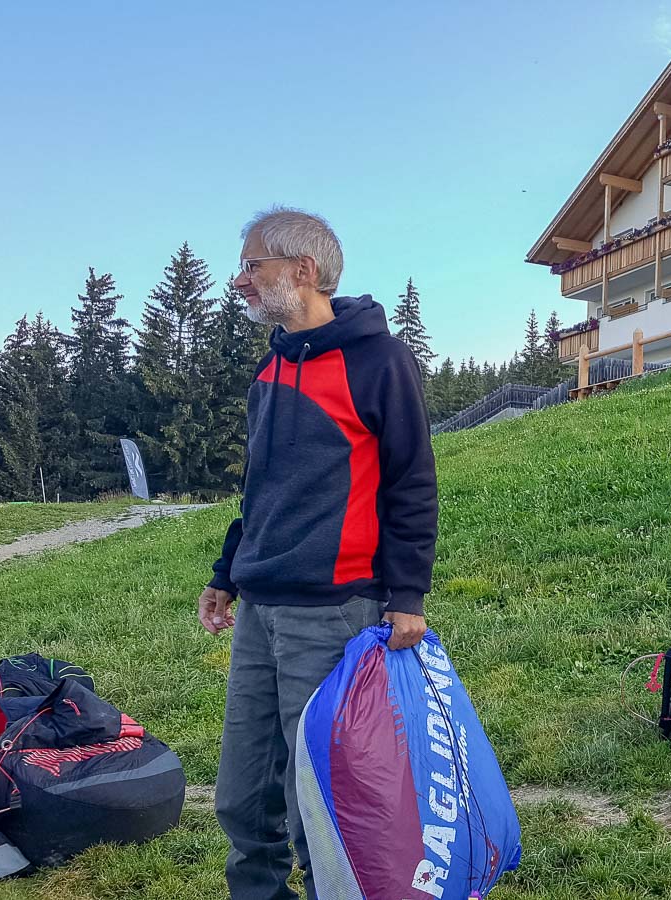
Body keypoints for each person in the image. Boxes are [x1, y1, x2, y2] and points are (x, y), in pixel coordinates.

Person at [198, 207, 437, 900]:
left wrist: (407, 596)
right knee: (243, 799)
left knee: (323, 804)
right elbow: (260, 488)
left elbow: (412, 483)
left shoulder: (379, 361)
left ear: (302, 270)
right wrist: (225, 574)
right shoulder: (271, 367)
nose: (240, 280)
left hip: (335, 612)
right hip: (259, 611)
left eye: (252, 265)